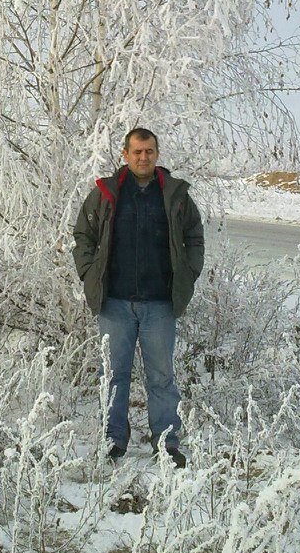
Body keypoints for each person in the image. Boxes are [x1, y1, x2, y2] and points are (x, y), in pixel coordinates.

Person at [72, 127, 205, 467]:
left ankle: (166, 443)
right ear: (125, 154)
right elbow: (83, 235)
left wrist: (188, 274)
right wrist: (89, 273)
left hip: (160, 304)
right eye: (137, 152)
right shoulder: (106, 193)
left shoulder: (174, 195)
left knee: (161, 376)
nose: (143, 157)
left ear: (156, 153)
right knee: (114, 376)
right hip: (114, 303)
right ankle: (113, 440)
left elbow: (194, 236)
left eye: (149, 151)